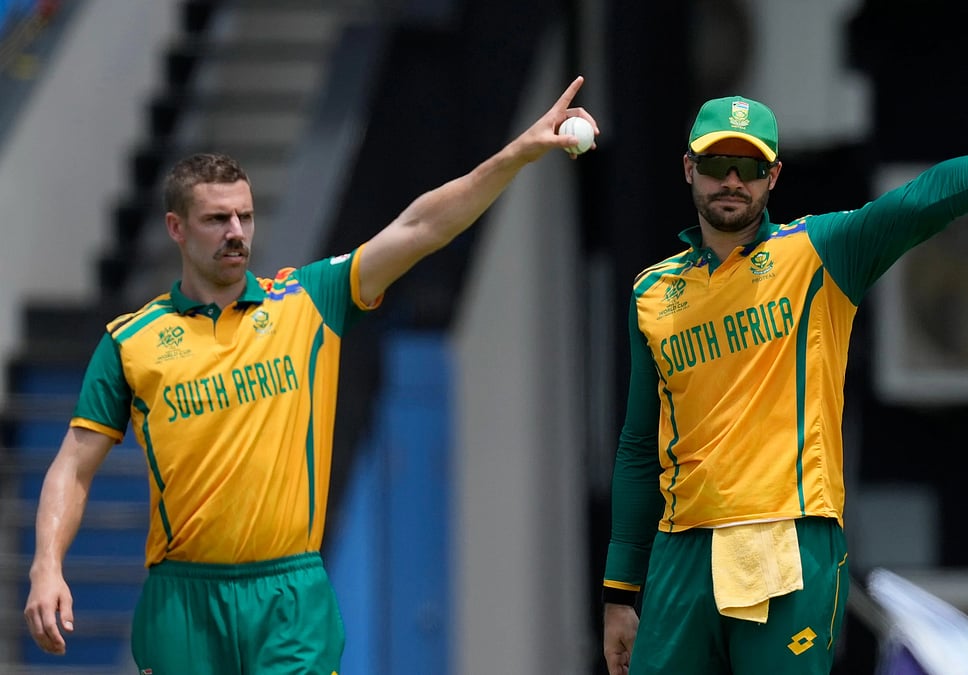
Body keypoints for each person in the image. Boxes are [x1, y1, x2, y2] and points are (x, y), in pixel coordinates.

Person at [23, 75, 599, 673]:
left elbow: (421, 227)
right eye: (217, 220)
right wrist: (46, 565)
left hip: (290, 596)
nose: (237, 234)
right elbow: (73, 463)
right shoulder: (130, 341)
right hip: (183, 599)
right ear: (176, 228)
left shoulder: (306, 300)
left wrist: (517, 153)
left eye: (244, 217)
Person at [600, 74, 968, 675]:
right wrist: (620, 593)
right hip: (681, 551)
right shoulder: (653, 291)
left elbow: (923, 200)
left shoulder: (821, 252)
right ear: (688, 169)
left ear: (773, 177)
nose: (732, 180)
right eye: (718, 162)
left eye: (750, 168)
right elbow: (638, 447)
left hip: (791, 543)